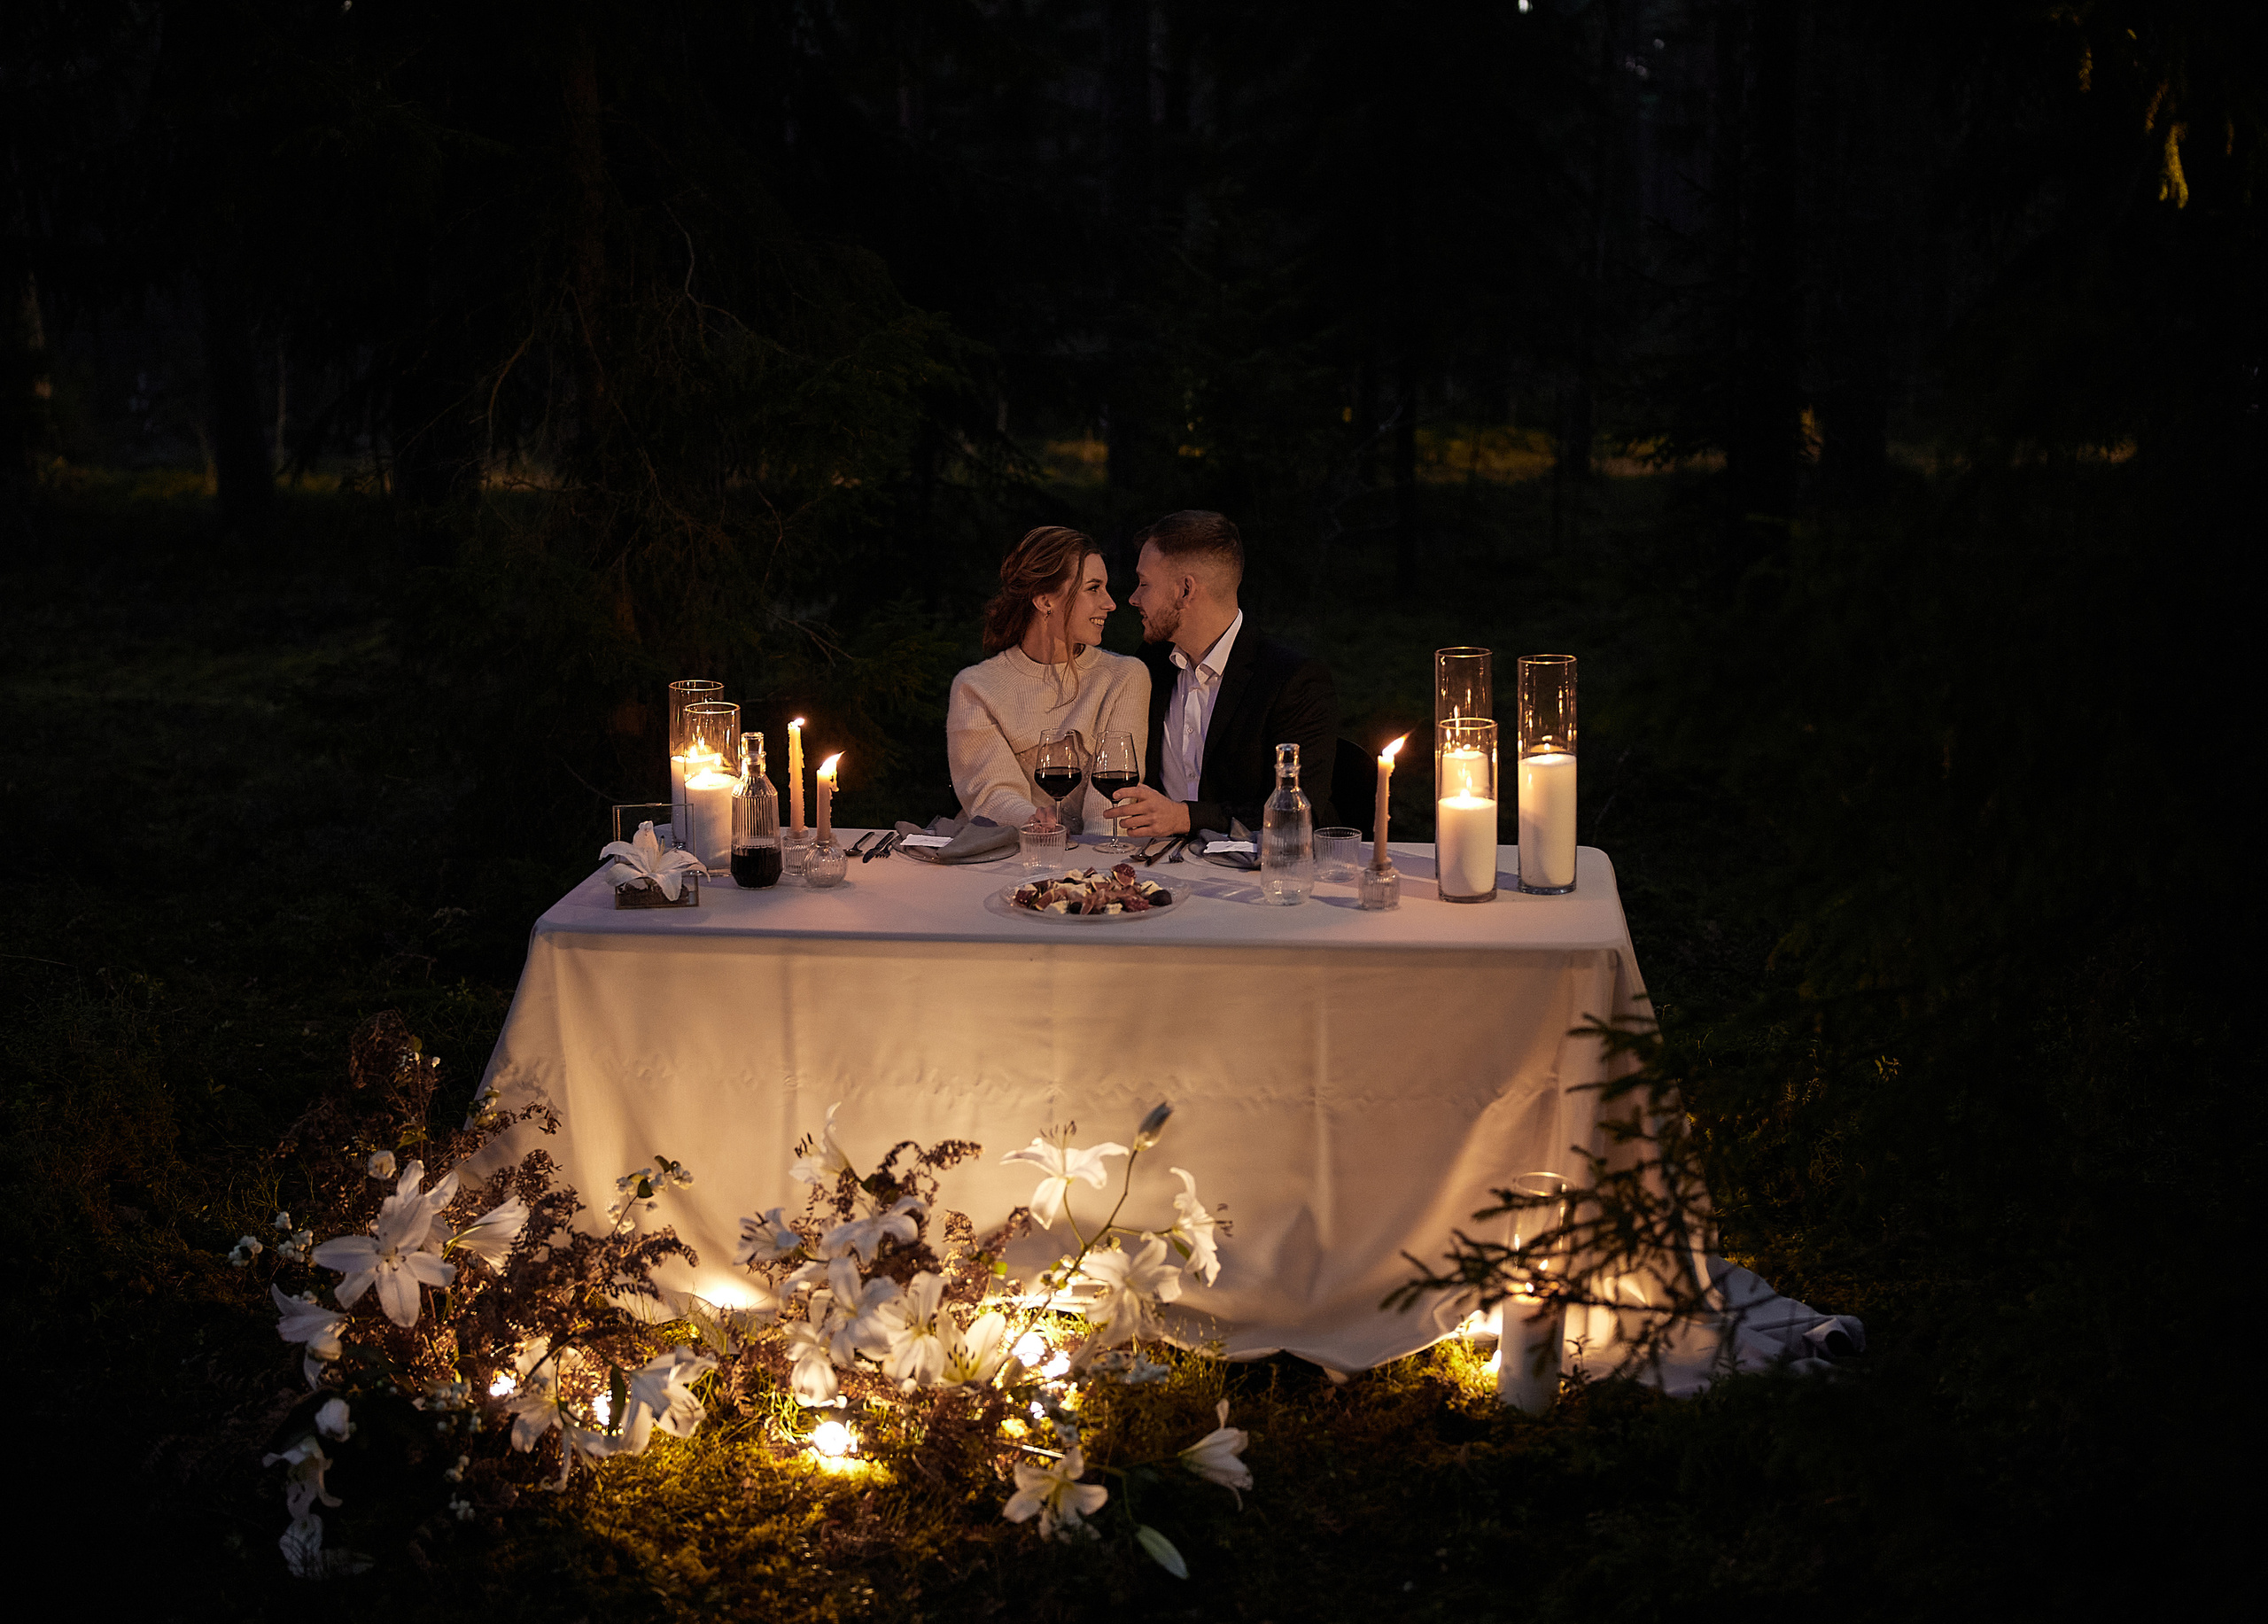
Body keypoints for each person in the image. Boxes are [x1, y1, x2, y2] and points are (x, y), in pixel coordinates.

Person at [1109, 510, 1338, 839]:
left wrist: (1186, 817)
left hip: (1249, 878)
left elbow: (1301, 813)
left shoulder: (1293, 681)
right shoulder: (1151, 662)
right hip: (1156, 863)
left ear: (1185, 590)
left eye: (1145, 584)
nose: (1133, 598)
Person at [946, 526, 1151, 831]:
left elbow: (1110, 807)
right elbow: (992, 794)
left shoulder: (1123, 677)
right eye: (1093, 588)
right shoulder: (976, 687)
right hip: (1011, 854)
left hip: (1094, 866)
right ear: (1044, 601)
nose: (1110, 603)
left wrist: (1092, 873)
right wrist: (1033, 823)